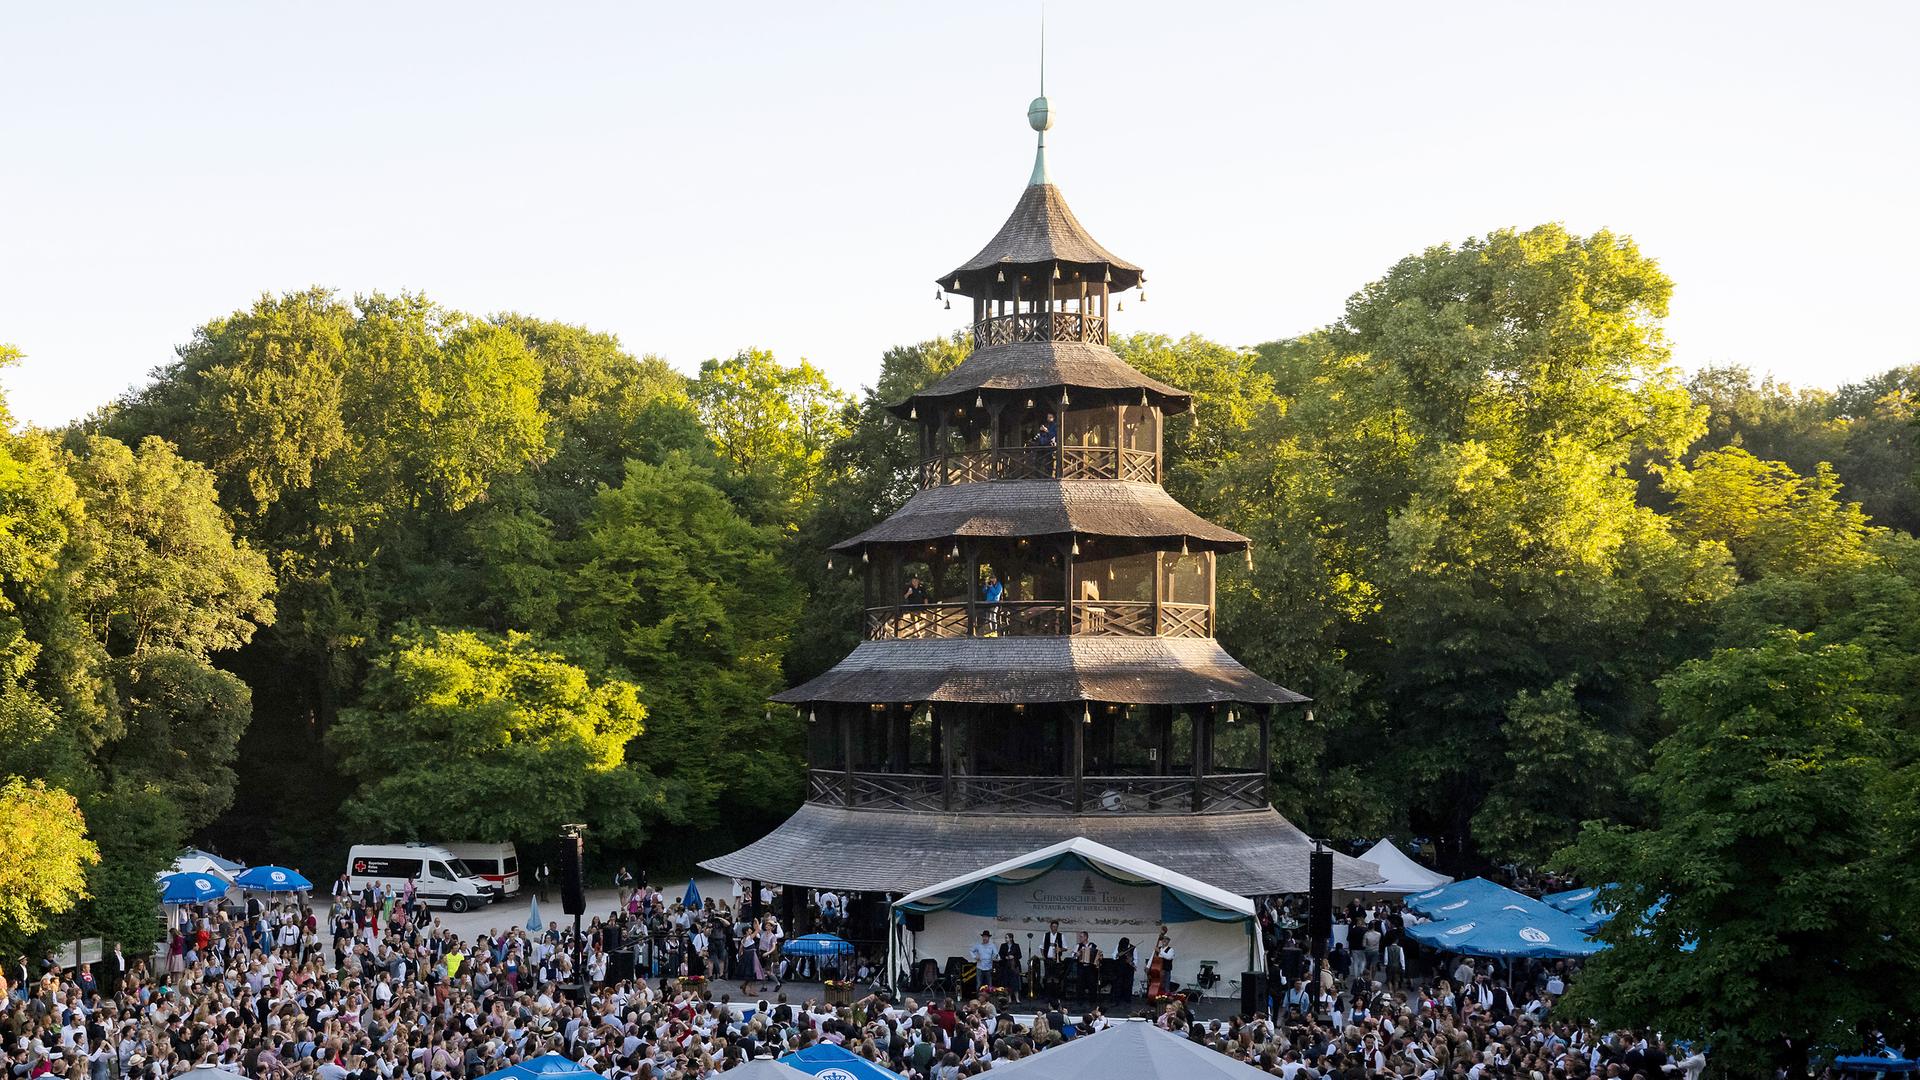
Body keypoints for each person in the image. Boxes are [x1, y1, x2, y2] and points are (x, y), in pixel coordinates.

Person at [994, 933, 1023, 999]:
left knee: (1015, 982)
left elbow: (1020, 955)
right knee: (1007, 982)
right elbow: (1000, 954)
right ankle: (1009, 998)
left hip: (1014, 966)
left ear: (1011, 938)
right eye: (1005, 938)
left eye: (1007, 938)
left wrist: (1013, 957)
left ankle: (1017, 998)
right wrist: (1005, 957)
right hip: (1006, 966)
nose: (1006, 939)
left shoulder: (1016, 946)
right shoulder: (1003, 945)